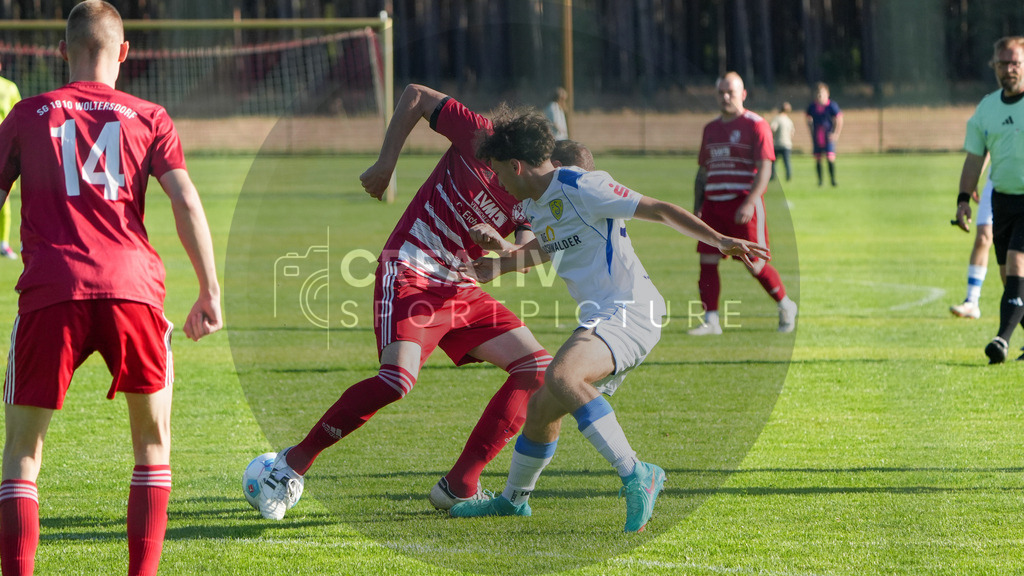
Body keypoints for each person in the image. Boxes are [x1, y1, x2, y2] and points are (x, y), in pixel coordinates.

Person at [447, 106, 769, 532]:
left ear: (516, 165)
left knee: (562, 375)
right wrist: (500, 263)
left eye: (498, 171)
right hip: (605, 315)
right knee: (541, 409)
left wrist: (719, 238)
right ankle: (513, 500)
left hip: (632, 309)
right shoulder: (537, 204)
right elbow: (549, 245)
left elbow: (658, 208)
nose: (497, 181)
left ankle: (637, 472)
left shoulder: (583, 185)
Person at [251, 84, 552, 520]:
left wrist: (502, 249)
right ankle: (289, 465)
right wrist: (386, 164)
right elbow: (415, 96)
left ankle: (459, 486)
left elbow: (525, 252)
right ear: (514, 163)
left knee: (537, 368)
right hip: (410, 266)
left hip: (459, 286)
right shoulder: (477, 134)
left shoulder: (528, 192)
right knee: (397, 380)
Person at [0, 2, 223, 575]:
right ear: (123, 51)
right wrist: (209, 290)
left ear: (62, 52)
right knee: (151, 446)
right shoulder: (150, 116)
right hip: (133, 289)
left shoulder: (27, 114)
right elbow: (185, 199)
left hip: (52, 288)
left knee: (22, 453)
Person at [690, 72, 798, 336]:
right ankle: (711, 321)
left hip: (742, 205)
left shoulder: (756, 125)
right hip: (713, 205)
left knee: (755, 263)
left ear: (743, 94)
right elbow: (703, 170)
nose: (725, 97)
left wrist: (750, 202)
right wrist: (698, 204)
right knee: (707, 261)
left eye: (731, 92)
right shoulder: (710, 129)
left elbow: (765, 169)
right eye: (721, 92)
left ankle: (785, 305)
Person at [954, 36, 1024, 364]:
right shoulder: (987, 108)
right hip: (1003, 200)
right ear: (994, 66)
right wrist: (963, 199)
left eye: (1015, 63)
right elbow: (974, 157)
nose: (1008, 69)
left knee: (1016, 262)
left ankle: (1001, 339)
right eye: (1002, 63)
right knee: (1007, 275)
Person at [950, 169, 995, 320]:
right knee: (983, 237)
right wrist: (974, 178)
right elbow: (981, 154)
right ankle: (971, 301)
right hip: (997, 182)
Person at [0, 61, 20, 259]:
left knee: (4, 196)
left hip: (3, 148)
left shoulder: (9, 87)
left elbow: (17, 115)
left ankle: (3, 243)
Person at [806, 82, 843, 187]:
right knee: (818, 158)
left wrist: (836, 134)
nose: (820, 95)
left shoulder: (831, 106)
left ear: (827, 94)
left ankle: (833, 180)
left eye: (822, 93)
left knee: (830, 157)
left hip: (828, 135)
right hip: (818, 135)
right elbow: (808, 118)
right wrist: (811, 131)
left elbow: (839, 119)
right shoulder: (812, 106)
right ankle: (820, 181)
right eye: (818, 93)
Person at [769, 102, 795, 181]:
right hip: (787, 144)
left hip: (777, 143)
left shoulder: (777, 119)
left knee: (773, 162)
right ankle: (788, 177)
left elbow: (773, 129)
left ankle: (772, 176)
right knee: (787, 162)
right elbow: (792, 133)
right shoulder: (789, 120)